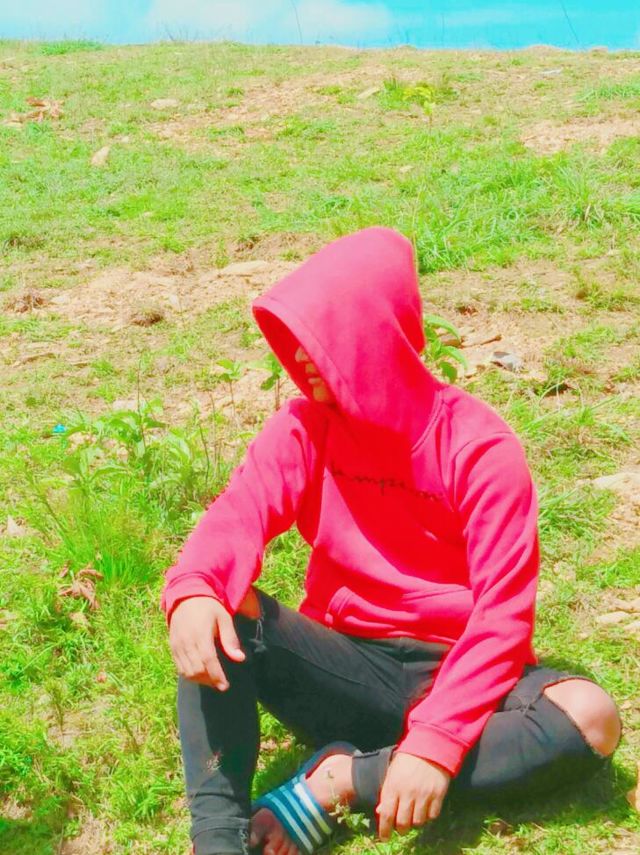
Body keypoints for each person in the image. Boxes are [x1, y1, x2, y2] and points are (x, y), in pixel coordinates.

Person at [162, 228, 622, 855]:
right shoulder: (302, 428)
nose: (300, 360)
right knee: (221, 608)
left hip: (455, 668)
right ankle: (217, 838)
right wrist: (193, 588)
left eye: (322, 342)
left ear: (375, 337)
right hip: (345, 665)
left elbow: (502, 618)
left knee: (591, 716)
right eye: (293, 342)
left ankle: (343, 779)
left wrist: (435, 743)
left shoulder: (479, 447)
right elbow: (235, 518)